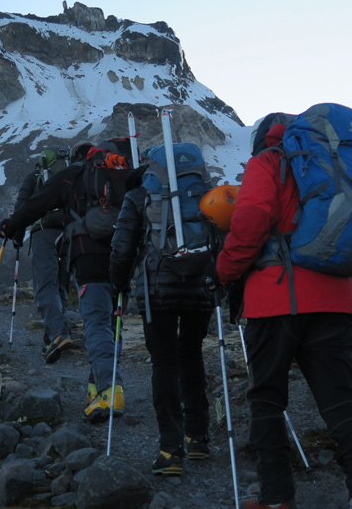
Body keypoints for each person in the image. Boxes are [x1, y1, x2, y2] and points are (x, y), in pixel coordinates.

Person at [216, 121, 352, 509]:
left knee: (267, 401)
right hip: (337, 297)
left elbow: (251, 222)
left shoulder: (267, 162)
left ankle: (276, 498)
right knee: (341, 399)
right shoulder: (336, 164)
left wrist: (223, 271)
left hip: (276, 301)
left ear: (263, 142)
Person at [0, 139, 141, 421]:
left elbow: (36, 205)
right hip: (124, 256)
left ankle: (110, 390)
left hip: (88, 256)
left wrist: (11, 226)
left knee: (97, 322)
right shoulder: (127, 174)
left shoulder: (72, 176)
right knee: (114, 322)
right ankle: (96, 387)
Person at [109, 148, 214, 476]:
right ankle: (197, 438)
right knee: (193, 354)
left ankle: (171, 450)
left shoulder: (139, 195)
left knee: (164, 362)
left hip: (157, 290)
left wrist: (118, 286)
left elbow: (122, 247)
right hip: (200, 284)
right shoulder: (206, 193)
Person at [9, 149, 73, 364]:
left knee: (45, 285)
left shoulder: (34, 177)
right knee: (61, 286)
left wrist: (17, 236)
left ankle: (57, 334)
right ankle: (52, 337)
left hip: (44, 232)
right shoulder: (70, 175)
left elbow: (23, 207)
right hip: (70, 233)